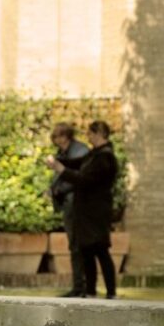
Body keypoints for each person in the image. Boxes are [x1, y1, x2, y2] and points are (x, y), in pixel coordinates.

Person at [46, 120, 119, 299]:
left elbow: (84, 179)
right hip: (86, 212)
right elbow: (76, 163)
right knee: (87, 250)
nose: (88, 137)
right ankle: (90, 291)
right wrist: (58, 162)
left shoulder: (105, 157)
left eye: (91, 134)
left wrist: (61, 169)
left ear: (100, 133)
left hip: (97, 212)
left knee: (101, 250)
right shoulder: (94, 154)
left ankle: (111, 292)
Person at [49, 122, 90, 297]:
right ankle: (79, 286)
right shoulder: (64, 152)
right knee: (74, 245)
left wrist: (60, 189)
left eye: (58, 137)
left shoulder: (79, 152)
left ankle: (83, 287)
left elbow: (79, 178)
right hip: (69, 204)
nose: (56, 141)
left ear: (65, 136)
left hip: (77, 205)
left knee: (79, 246)